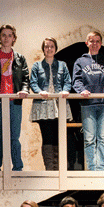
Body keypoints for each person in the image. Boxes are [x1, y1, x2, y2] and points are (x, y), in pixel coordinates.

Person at [0, 24, 29, 171]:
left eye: (9, 35)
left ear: (13, 38)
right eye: (4, 35)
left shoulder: (20, 58)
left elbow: (26, 78)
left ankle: (18, 167)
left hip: (15, 102)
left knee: (15, 137)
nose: (6, 38)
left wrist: (24, 89)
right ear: (0, 38)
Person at [72, 31, 104, 171]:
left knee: (103, 138)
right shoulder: (80, 61)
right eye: (92, 41)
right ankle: (92, 169)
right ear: (87, 43)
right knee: (89, 139)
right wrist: (81, 91)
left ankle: (101, 169)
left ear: (101, 44)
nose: (94, 44)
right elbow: (76, 80)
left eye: (97, 41)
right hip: (88, 104)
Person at [30, 37, 72, 171]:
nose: (49, 49)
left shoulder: (62, 65)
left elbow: (67, 81)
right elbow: (33, 82)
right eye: (47, 46)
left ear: (55, 48)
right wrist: (39, 91)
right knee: (47, 137)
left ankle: (60, 168)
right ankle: (50, 168)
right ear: (43, 49)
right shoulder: (37, 65)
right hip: (43, 105)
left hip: (59, 104)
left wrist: (66, 90)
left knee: (59, 137)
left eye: (52, 46)